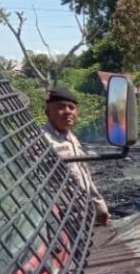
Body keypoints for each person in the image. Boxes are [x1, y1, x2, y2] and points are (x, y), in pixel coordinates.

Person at [41, 86, 109, 225]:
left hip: (79, 215)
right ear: (48, 112)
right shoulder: (40, 140)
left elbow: (83, 175)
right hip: (58, 220)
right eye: (61, 107)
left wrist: (99, 206)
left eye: (71, 108)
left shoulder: (71, 137)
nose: (68, 112)